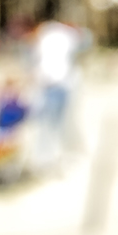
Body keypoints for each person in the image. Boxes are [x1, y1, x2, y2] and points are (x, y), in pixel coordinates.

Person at [30, 19, 86, 172]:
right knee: (56, 125)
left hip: (55, 85)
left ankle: (49, 158)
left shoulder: (52, 36)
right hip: (59, 85)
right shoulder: (63, 36)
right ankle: (53, 157)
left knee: (51, 125)